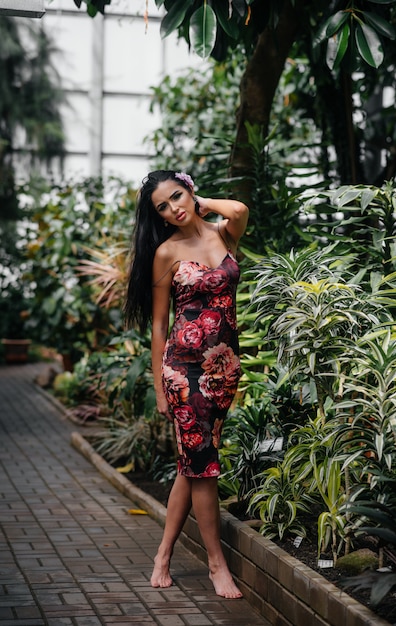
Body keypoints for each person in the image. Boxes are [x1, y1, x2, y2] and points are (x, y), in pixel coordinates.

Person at [124, 169, 249, 599]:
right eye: (163, 207)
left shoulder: (223, 233)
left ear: (189, 189)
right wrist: (160, 387)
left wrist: (202, 204)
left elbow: (240, 209)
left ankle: (162, 555)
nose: (173, 208)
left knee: (192, 466)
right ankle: (217, 566)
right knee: (204, 467)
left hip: (225, 369)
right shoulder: (166, 252)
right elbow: (158, 325)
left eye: (176, 196)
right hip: (184, 372)